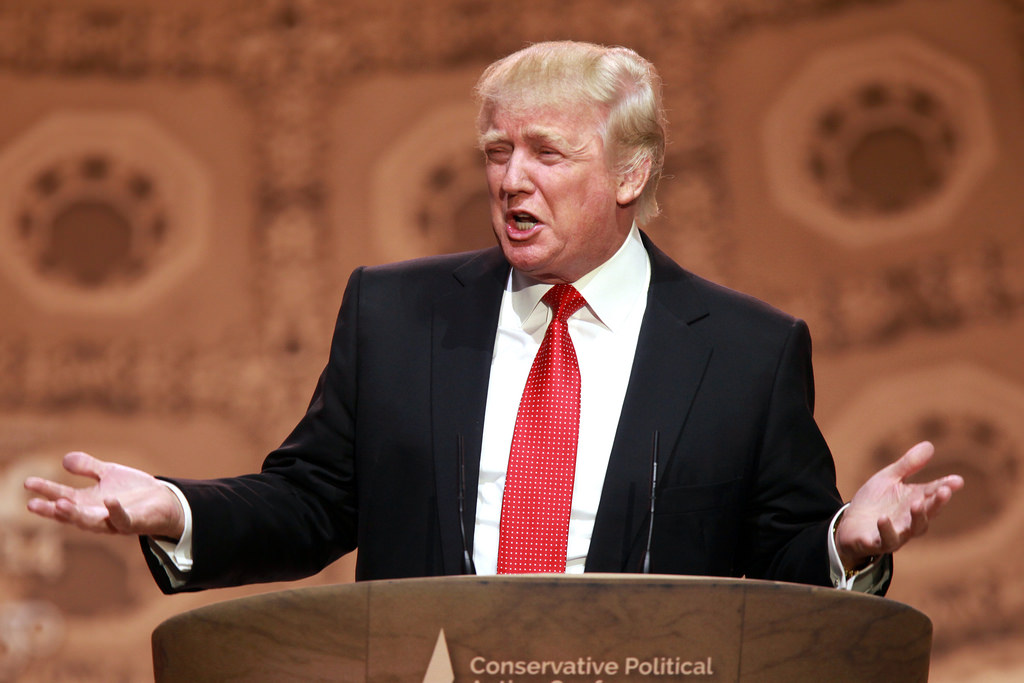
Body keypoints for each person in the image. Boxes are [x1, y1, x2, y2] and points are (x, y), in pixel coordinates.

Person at [24, 41, 961, 595]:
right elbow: (311, 502)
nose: (512, 179)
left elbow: (780, 560)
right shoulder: (396, 314)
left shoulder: (748, 351)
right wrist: (178, 508)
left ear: (630, 173)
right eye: (496, 150)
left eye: (547, 152)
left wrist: (844, 541)